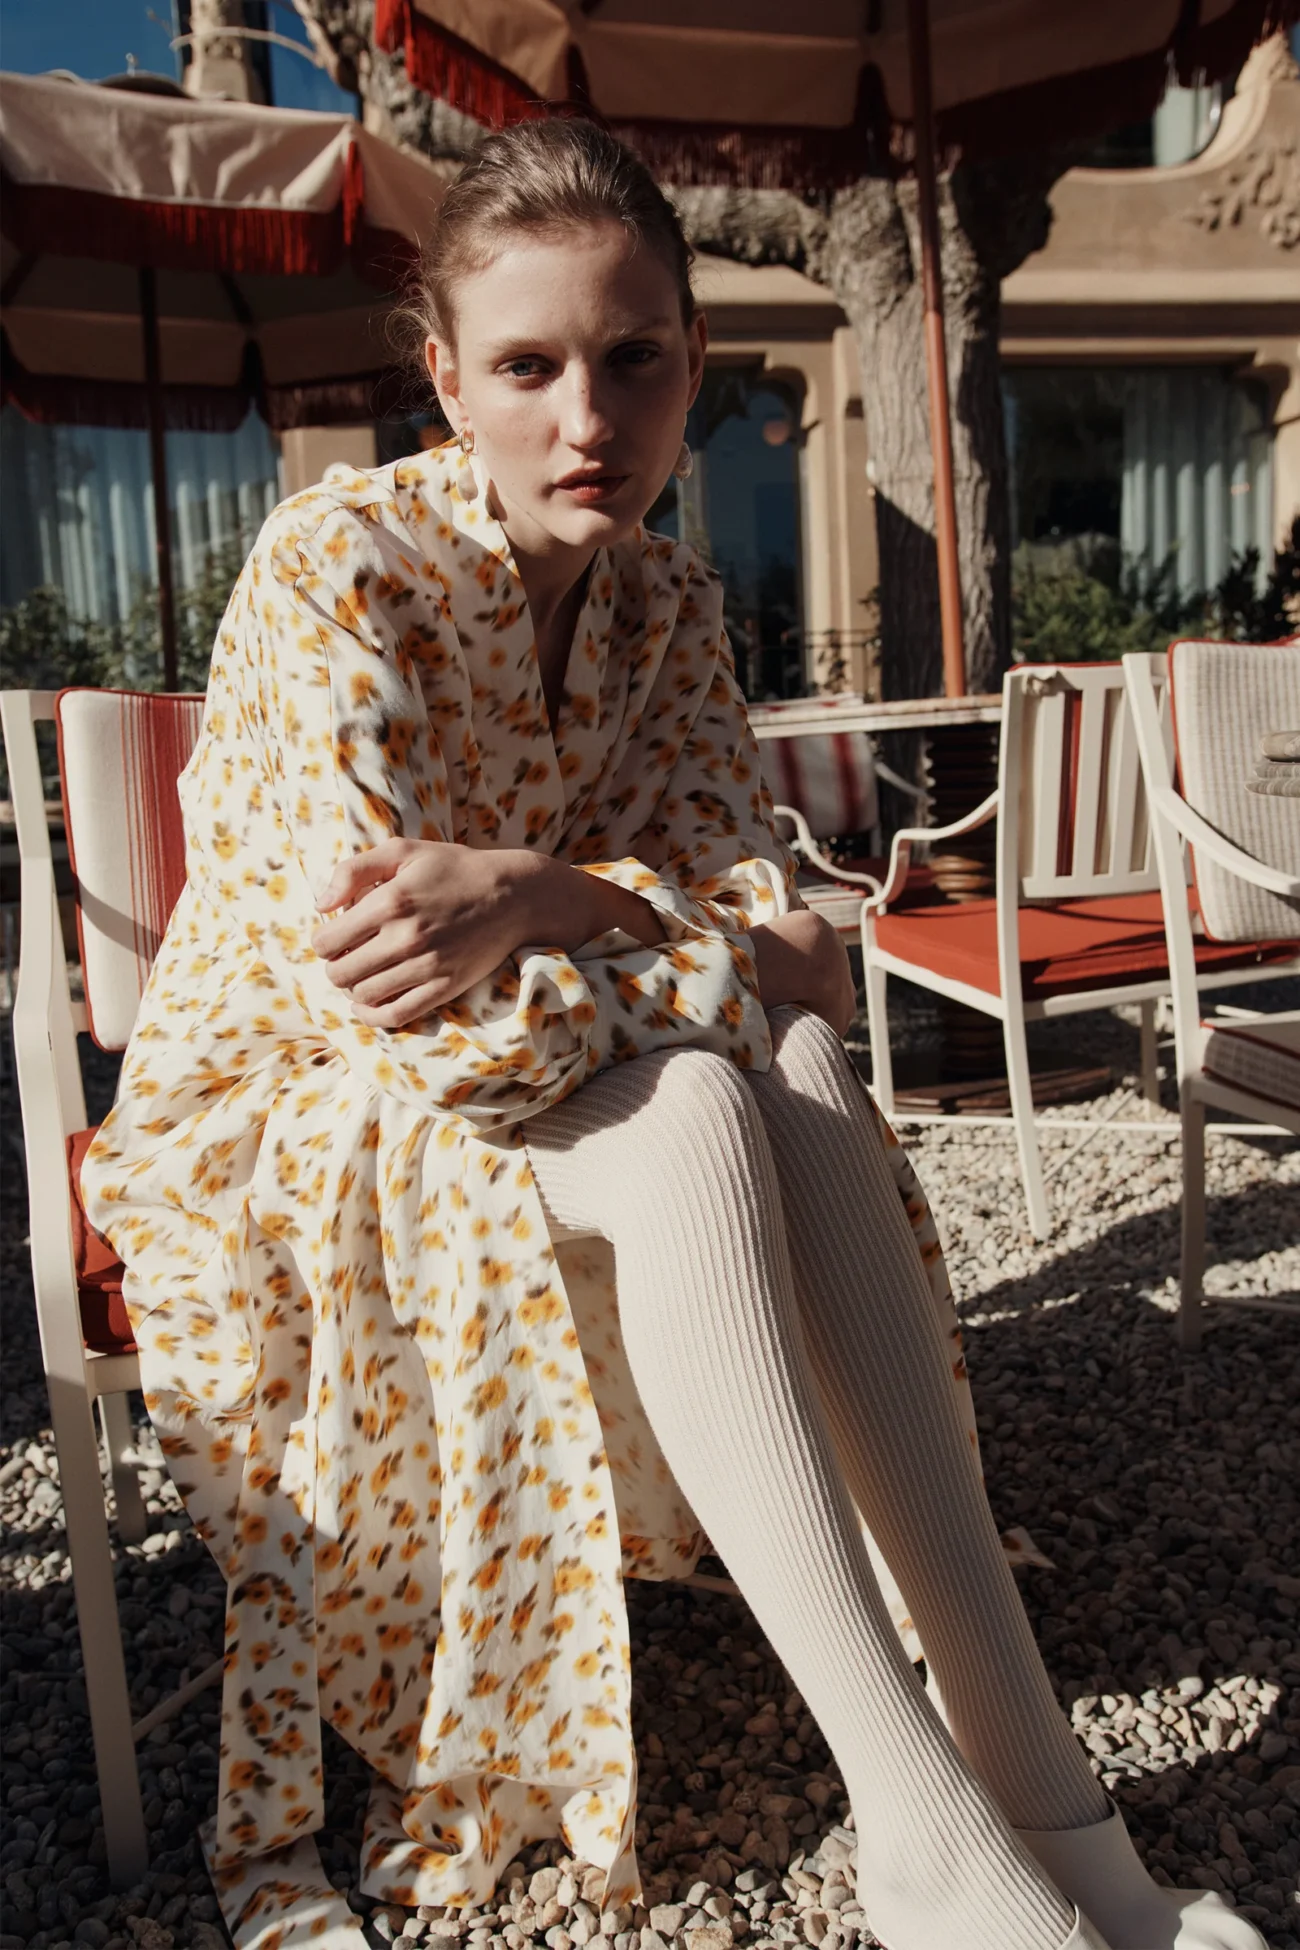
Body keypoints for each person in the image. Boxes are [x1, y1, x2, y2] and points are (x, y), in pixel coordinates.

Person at [81, 117, 1266, 1950]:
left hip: (572, 1054)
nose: (589, 419)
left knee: (789, 1069)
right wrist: (680, 933)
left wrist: (550, 895)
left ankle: (1042, 1799)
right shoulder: (341, 572)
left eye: (634, 358)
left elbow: (792, 961)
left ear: (694, 361)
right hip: (292, 1112)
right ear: (444, 378)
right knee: (717, 1094)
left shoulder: (672, 602)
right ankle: (925, 1824)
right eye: (528, 367)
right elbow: (457, 1033)